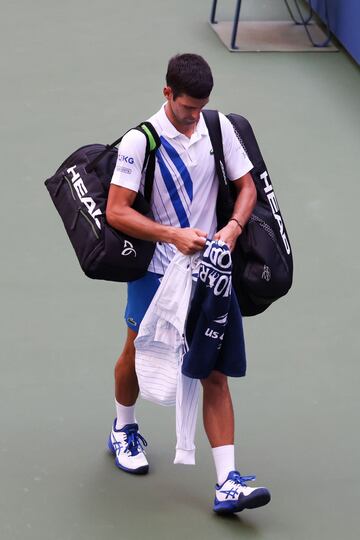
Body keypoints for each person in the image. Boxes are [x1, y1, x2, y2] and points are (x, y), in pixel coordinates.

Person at [105, 53, 271, 514]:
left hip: (210, 272)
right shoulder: (141, 142)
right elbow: (117, 209)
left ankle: (227, 482)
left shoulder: (218, 130)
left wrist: (234, 228)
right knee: (135, 352)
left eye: (200, 107)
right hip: (157, 271)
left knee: (214, 371)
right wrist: (171, 235)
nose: (194, 116)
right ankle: (123, 428)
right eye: (186, 108)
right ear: (167, 94)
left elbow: (247, 188)